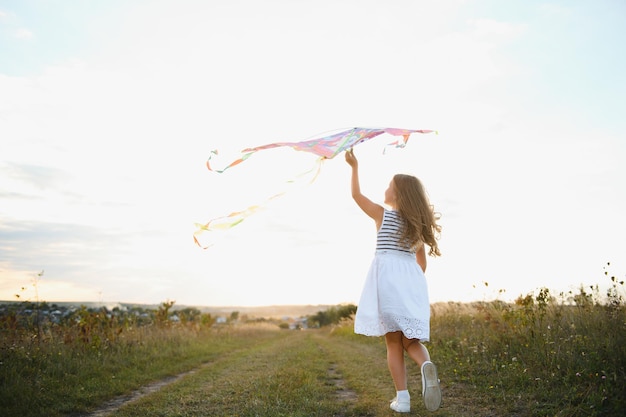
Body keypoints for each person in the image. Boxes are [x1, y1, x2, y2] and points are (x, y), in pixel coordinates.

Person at [344, 148, 442, 413]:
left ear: (397, 194)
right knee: (411, 341)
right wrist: (409, 285)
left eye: (389, 185)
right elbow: (421, 264)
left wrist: (354, 166)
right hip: (412, 284)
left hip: (388, 282)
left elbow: (356, 195)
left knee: (392, 342)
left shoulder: (382, 214)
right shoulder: (417, 226)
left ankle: (404, 399)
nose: (385, 189)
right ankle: (425, 367)